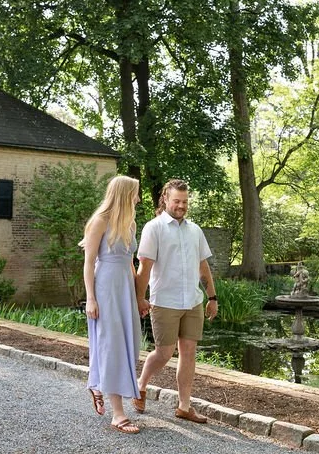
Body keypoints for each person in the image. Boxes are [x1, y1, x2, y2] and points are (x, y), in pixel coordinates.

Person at [133, 179, 217, 423]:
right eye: (176, 201)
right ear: (165, 200)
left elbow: (204, 267)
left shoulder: (195, 230)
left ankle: (184, 406)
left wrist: (212, 297)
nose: (181, 205)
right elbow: (144, 268)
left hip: (193, 301)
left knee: (189, 352)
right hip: (165, 301)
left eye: (185, 201)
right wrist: (140, 298)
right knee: (164, 352)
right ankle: (141, 384)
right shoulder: (154, 228)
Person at [81, 175, 146, 434]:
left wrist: (138, 296)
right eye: (135, 193)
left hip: (124, 289)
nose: (139, 199)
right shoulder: (100, 221)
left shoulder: (129, 223)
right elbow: (88, 263)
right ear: (124, 194)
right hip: (105, 287)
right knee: (112, 345)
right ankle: (118, 414)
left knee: (129, 343)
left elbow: (130, 263)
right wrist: (91, 298)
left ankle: (98, 385)